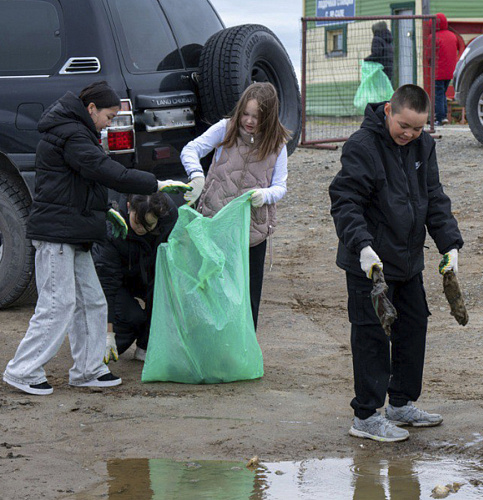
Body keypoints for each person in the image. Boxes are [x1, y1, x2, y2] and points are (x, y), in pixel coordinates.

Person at [2, 81, 190, 396]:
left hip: (74, 233)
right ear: (91, 110)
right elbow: (105, 171)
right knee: (56, 304)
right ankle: (22, 371)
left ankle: (88, 369)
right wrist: (154, 183)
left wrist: (107, 211)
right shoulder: (72, 134)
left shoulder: (77, 133)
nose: (109, 123)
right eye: (109, 116)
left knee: (92, 300)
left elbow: (83, 185)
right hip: (56, 235)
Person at [329, 84, 464, 442]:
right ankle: (366, 416)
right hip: (369, 264)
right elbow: (345, 201)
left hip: (408, 261)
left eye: (418, 128)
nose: (410, 134)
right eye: (405, 125)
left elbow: (434, 198)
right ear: (389, 110)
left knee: (413, 327)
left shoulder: (423, 146)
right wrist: (361, 247)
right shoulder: (362, 146)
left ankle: (400, 404)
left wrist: (450, 244)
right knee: (371, 335)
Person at [180, 82, 292, 331]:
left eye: (257, 117)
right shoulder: (225, 128)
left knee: (248, 293)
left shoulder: (277, 144)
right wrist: (196, 175)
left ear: (269, 117)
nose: (249, 121)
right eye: (246, 114)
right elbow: (191, 149)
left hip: (252, 232)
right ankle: (211, 344)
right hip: (215, 223)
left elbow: (280, 187)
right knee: (212, 287)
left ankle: (244, 351)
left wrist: (265, 195)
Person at [92, 191, 178, 362]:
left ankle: (145, 347)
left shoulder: (168, 217)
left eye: (149, 225)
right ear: (129, 207)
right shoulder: (113, 228)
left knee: (166, 294)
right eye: (138, 222)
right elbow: (107, 283)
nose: (141, 229)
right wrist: (108, 333)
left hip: (148, 271)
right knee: (133, 319)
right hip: (118, 278)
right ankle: (92, 339)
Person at [433, 13, 460, 126]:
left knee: (438, 94)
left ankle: (440, 117)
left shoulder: (433, 37)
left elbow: (429, 56)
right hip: (450, 71)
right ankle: (443, 116)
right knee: (442, 93)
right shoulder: (452, 36)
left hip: (438, 71)